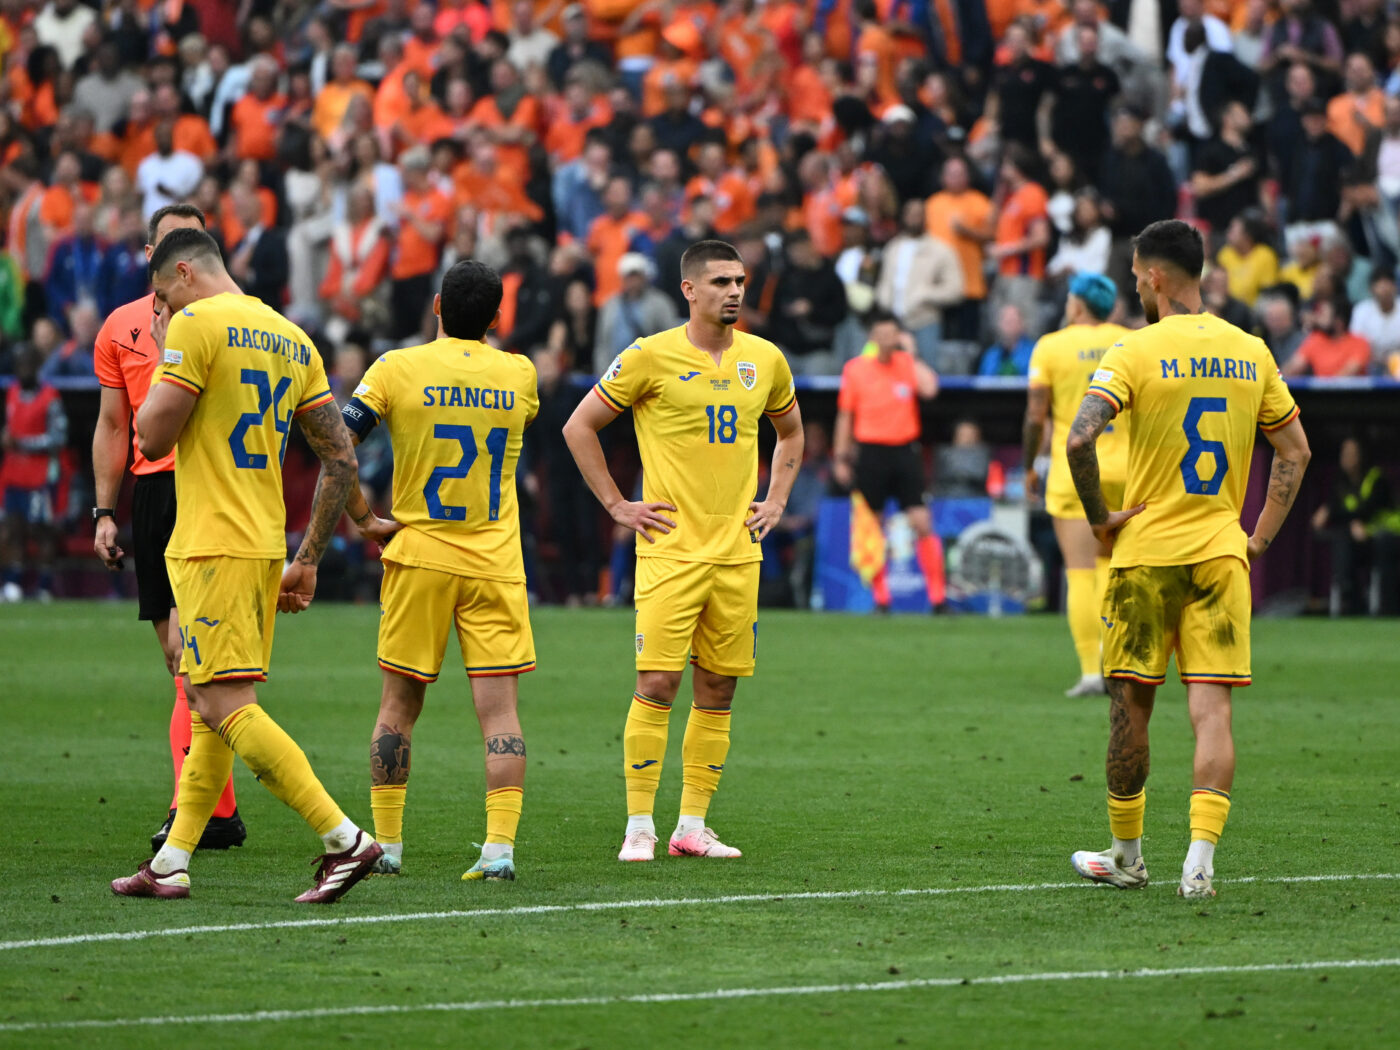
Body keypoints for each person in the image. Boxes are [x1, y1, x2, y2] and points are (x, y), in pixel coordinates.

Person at [111, 228, 381, 902]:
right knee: (208, 702)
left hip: (212, 543)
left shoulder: (195, 325)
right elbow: (341, 458)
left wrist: (164, 354)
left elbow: (151, 435)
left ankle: (345, 839)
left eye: (162, 295)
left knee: (224, 703)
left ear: (184, 272)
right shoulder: (292, 337)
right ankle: (173, 861)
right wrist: (307, 558)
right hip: (261, 543)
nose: (159, 309)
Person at [1065, 219, 1310, 899]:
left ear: (1154, 276)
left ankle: (1127, 856)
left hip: (1146, 557)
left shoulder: (1135, 350)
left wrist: (1100, 518)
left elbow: (1080, 440)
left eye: (1136, 278)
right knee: (1212, 713)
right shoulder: (1251, 351)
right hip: (1221, 556)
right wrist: (1256, 539)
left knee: (1130, 711)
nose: (1136, 290)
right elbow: (1294, 451)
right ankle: (1199, 862)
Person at [562, 239, 804, 863]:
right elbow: (578, 426)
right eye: (721, 281)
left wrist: (776, 499)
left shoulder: (765, 359)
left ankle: (691, 826)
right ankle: (639, 825)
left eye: (740, 281)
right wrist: (617, 504)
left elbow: (791, 432)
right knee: (658, 682)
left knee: (718, 688)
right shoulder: (649, 355)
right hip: (670, 551)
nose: (735, 291)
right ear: (689, 290)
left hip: (737, 553)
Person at [339, 260, 539, 882]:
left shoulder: (395, 368)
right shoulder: (519, 373)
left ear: (435, 306)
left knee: (398, 705)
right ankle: (499, 850)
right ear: (496, 317)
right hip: (494, 561)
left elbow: (338, 442)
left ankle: (388, 845)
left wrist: (363, 517)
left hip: (419, 554)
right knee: (500, 714)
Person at [90, 203, 247, 853]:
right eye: (168, 240)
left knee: (193, 655)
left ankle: (193, 810)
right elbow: (114, 424)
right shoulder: (120, 326)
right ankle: (220, 811)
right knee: (180, 658)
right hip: (153, 493)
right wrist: (104, 511)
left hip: (207, 483)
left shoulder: (229, 323)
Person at [1023, 273, 1129, 697]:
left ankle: (1089, 671)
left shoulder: (1051, 346)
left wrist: (1029, 466)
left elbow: (1036, 416)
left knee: (1080, 571)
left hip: (1075, 470)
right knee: (1110, 567)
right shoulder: (1129, 341)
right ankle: (1114, 662)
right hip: (1127, 468)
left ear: (1078, 304)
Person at [832, 310, 943, 613]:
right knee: (872, 525)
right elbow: (845, 416)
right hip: (871, 453)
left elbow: (930, 388)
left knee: (922, 521)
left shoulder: (907, 364)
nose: (885, 339)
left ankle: (937, 598)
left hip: (905, 451)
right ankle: (881, 599)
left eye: (891, 334)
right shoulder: (855, 369)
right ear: (872, 337)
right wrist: (841, 457)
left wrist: (912, 352)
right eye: (880, 334)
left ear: (898, 336)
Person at [1, 345, 66, 602]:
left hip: (40, 475)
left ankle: (45, 585)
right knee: (13, 528)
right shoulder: (12, 393)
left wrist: (23, 444)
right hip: (13, 473)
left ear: (37, 366)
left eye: (28, 365)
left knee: (42, 530)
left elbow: (58, 438)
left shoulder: (50, 397)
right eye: (19, 365)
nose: (23, 371)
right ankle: (14, 582)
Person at [1311, 437, 1400, 616]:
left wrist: (1341, 514)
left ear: (1361, 456)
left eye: (1352, 454)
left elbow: (1369, 509)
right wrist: (1331, 510)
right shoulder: (1340, 482)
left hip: (1386, 538)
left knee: (1382, 547)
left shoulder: (1376, 478)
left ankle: (1386, 607)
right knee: (1342, 543)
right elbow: (1338, 511)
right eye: (1344, 454)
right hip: (1357, 542)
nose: (1347, 458)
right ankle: (1349, 598)